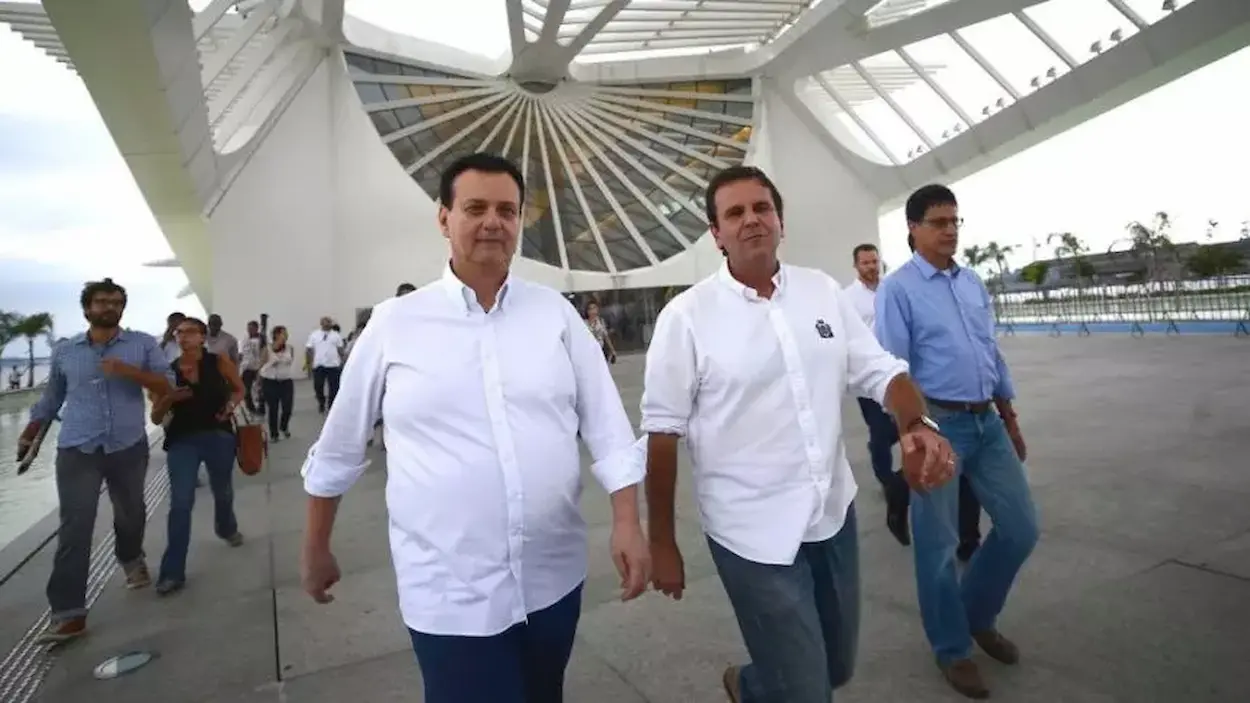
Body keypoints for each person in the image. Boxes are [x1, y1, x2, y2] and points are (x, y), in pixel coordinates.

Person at [300, 153, 651, 703]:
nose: (493, 222)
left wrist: (627, 522)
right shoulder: (395, 324)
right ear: (444, 218)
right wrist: (316, 545)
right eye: (476, 208)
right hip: (448, 593)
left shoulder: (554, 315)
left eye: (507, 211)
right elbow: (339, 448)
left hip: (551, 581)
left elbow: (608, 428)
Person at [642, 166, 956, 703]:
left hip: (832, 514)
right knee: (810, 690)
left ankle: (752, 684)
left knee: (835, 667)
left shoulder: (821, 292)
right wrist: (662, 542)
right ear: (716, 234)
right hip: (751, 534)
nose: (751, 220)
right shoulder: (686, 318)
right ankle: (771, 683)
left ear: (780, 221)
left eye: (761, 208)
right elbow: (662, 434)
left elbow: (882, 372)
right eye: (734, 213)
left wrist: (915, 424)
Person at [876, 184, 1038, 699]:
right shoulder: (898, 290)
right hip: (937, 425)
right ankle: (952, 648)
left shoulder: (971, 282)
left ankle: (975, 615)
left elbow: (991, 353)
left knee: (1021, 529)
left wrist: (1009, 418)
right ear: (913, 228)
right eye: (938, 222)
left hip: (987, 421)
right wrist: (912, 436)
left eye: (954, 221)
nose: (950, 230)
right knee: (939, 545)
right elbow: (892, 370)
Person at [17, 278, 173, 643]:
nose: (109, 307)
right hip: (77, 448)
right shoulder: (66, 350)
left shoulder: (142, 344)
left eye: (116, 302)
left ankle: (130, 558)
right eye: (102, 302)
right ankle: (69, 613)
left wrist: (129, 372)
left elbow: (167, 385)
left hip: (127, 446)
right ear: (87, 308)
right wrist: (31, 431)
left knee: (131, 514)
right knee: (75, 526)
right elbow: (51, 398)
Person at [150, 316, 246, 595]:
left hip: (218, 435)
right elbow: (155, 417)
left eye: (190, 331)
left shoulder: (218, 362)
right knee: (181, 503)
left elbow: (239, 389)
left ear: (203, 337)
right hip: (182, 441)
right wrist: (169, 399)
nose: (183, 336)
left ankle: (226, 528)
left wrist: (231, 406)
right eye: (179, 332)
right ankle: (172, 572)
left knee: (223, 491)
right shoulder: (167, 372)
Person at [259, 325, 297, 441]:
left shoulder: (290, 348)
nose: (285, 336)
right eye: (283, 333)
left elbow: (290, 361)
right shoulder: (267, 349)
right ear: (276, 335)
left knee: (287, 408)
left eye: (286, 333)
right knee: (273, 408)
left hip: (286, 381)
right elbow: (261, 366)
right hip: (270, 381)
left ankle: (283, 426)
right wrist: (259, 383)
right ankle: (274, 434)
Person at [304, 316, 344, 414]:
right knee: (318, 386)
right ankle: (321, 401)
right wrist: (308, 363)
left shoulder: (336, 335)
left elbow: (340, 349)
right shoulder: (314, 335)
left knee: (334, 387)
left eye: (328, 322)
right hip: (319, 364)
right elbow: (309, 349)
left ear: (331, 323)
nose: (327, 324)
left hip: (333, 365)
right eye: (325, 322)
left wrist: (343, 361)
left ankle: (331, 405)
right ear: (321, 323)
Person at [238, 320, 266, 415]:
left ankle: (261, 408)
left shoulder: (262, 339)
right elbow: (241, 353)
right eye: (248, 329)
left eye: (252, 329)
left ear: (256, 328)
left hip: (259, 368)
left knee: (260, 389)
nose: (249, 330)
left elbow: (265, 353)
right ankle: (251, 408)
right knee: (246, 389)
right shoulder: (244, 339)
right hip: (247, 367)